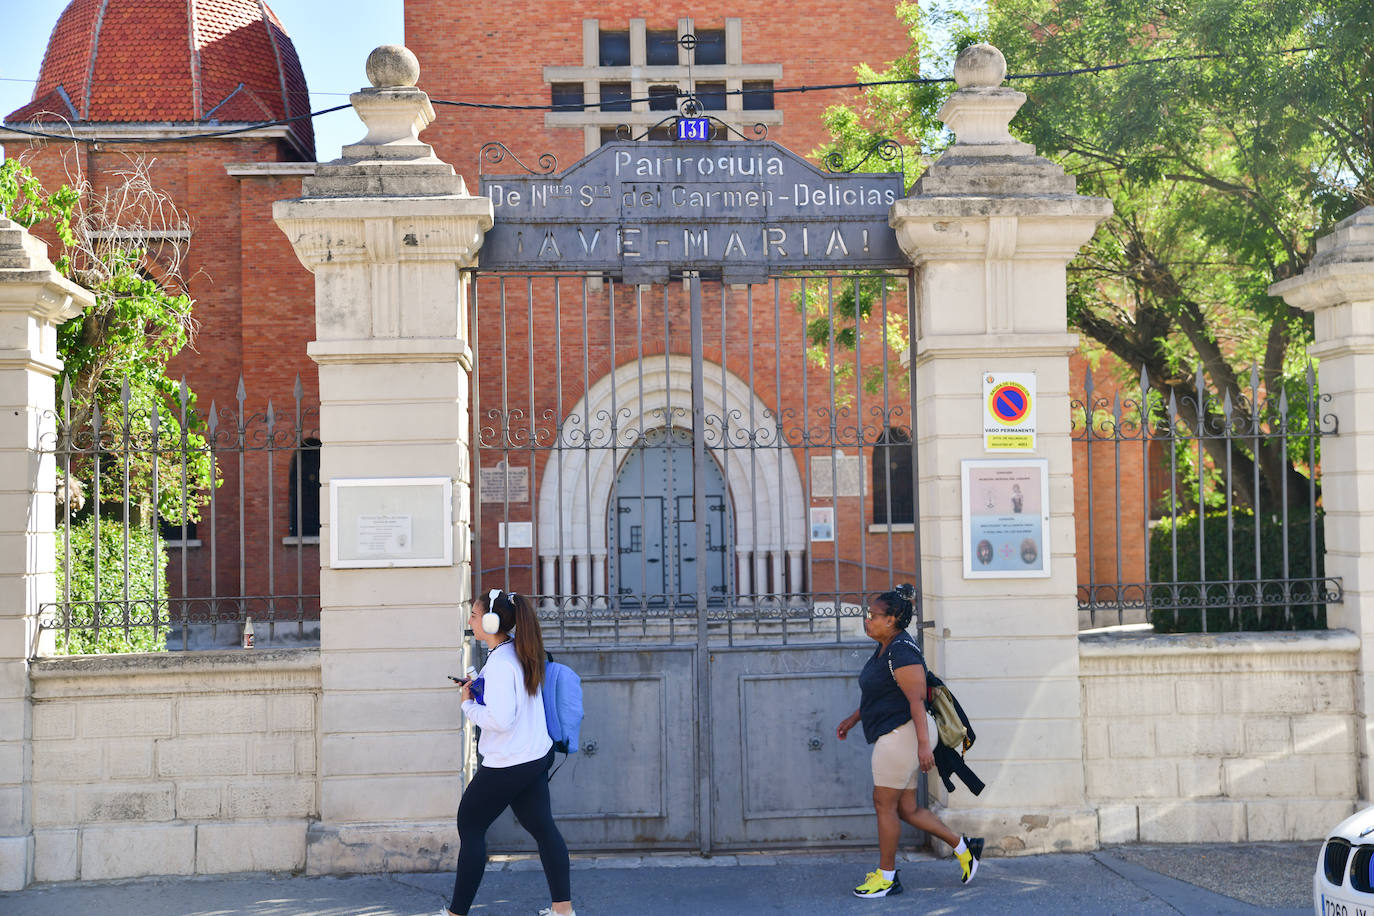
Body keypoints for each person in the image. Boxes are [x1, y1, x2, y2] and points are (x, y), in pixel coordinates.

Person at [836, 584, 982, 898]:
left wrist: (921, 746)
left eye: (873, 616)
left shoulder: (901, 650)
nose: (867, 619)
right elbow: (884, 694)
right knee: (907, 809)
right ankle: (964, 848)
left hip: (902, 735)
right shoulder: (887, 646)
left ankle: (887, 877)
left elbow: (916, 701)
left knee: (883, 804)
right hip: (900, 733)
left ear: (891, 619)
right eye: (868, 615)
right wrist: (854, 718)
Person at [439, 588, 575, 916]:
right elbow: (513, 701)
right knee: (543, 828)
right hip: (533, 756)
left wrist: (468, 704)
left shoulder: (501, 662)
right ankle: (563, 912)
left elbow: (501, 719)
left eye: (473, 614)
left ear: (490, 620)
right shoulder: (517, 650)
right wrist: (478, 689)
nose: (469, 619)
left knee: (470, 826)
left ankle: (456, 914)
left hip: (509, 762)